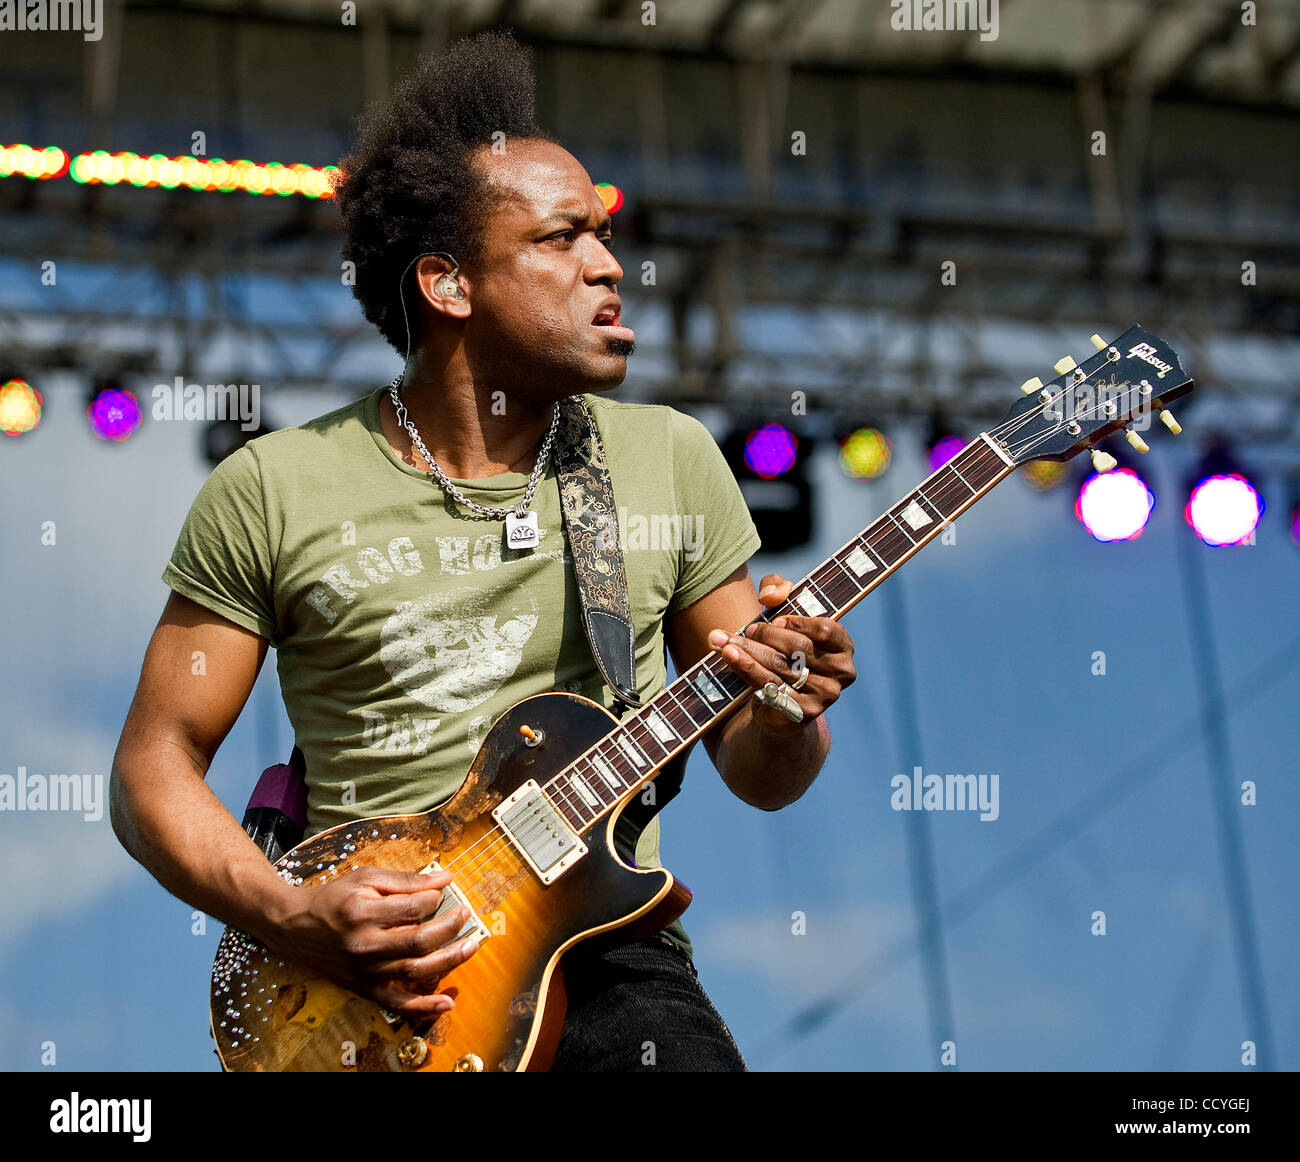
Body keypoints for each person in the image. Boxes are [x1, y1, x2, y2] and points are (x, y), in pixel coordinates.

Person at [109, 29, 856, 1072]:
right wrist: (293, 912)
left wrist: (787, 702)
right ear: (448, 285)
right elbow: (154, 763)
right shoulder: (274, 488)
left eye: (602, 233)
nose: (607, 264)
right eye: (560, 239)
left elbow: (761, 771)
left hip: (605, 957)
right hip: (366, 983)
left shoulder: (669, 459)